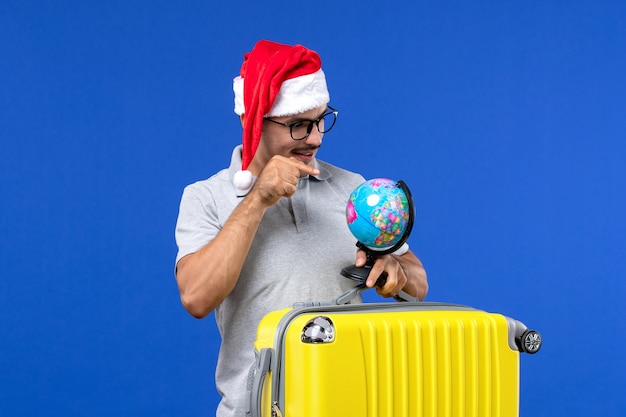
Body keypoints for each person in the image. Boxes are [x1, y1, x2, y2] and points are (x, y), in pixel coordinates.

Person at [174, 40, 428, 417]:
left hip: (350, 405)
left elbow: (419, 285)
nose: (316, 137)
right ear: (252, 119)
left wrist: (396, 273)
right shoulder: (206, 197)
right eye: (298, 125)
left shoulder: (353, 190)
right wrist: (258, 198)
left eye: (322, 119)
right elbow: (196, 297)